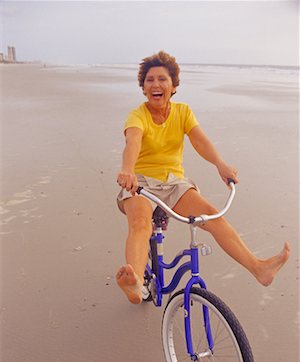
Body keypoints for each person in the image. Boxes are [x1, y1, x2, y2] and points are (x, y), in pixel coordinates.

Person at [116, 50, 290, 304]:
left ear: (173, 86)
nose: (156, 84)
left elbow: (200, 141)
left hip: (174, 183)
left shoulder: (183, 112)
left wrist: (220, 164)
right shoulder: (137, 115)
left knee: (213, 215)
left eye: (162, 79)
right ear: (143, 87)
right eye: (150, 80)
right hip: (140, 183)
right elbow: (132, 142)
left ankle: (259, 268)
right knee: (142, 223)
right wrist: (128, 170)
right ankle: (135, 282)